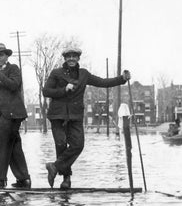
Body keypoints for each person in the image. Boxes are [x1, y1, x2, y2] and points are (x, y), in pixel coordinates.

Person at [43, 47, 131, 190]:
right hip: (57, 115)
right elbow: (46, 91)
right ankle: (66, 180)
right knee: (61, 144)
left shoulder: (84, 74)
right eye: (68, 56)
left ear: (78, 58)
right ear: (64, 59)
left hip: (75, 116)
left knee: (78, 145)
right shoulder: (56, 73)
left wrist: (121, 79)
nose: (71, 59)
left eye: (74, 56)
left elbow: (103, 82)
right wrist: (64, 89)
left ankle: (54, 166)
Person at [0, 43, 31, 189]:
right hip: (6, 113)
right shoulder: (2, 71)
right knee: (14, 145)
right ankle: (23, 179)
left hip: (12, 114)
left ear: (7, 55)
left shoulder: (13, 68)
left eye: (1, 55)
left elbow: (14, 85)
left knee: (2, 144)